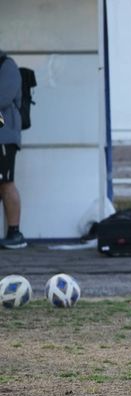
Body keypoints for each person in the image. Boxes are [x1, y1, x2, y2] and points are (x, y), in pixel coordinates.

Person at [0, 49, 26, 249]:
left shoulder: (7, 66)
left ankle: (15, 233)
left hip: (4, 138)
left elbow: (3, 98)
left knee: (6, 183)